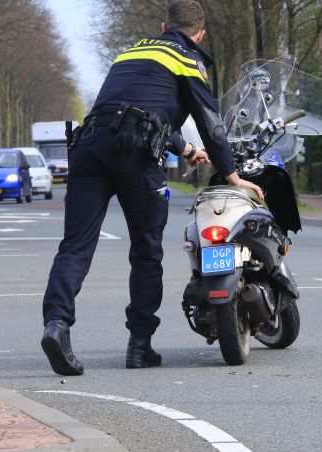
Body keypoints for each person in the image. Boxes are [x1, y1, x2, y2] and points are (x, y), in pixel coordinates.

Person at [41, 0, 264, 376]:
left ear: (164, 27)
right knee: (146, 252)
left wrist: (186, 149)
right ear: (200, 35)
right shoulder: (188, 59)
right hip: (135, 157)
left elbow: (132, 112)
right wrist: (231, 174)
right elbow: (209, 122)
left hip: (89, 144)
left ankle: (56, 325)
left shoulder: (129, 53)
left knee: (75, 247)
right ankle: (139, 346)